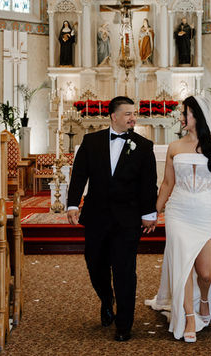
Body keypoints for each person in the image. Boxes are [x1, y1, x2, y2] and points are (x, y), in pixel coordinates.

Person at [145, 96, 211, 342]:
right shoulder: (175, 147)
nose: (181, 118)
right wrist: (154, 212)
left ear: (197, 116)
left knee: (206, 273)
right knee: (184, 266)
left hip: (206, 211)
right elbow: (167, 183)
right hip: (179, 211)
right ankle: (188, 315)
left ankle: (206, 299)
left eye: (185, 113)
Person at [67, 96, 158, 342]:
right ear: (113, 116)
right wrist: (73, 203)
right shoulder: (91, 141)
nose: (133, 118)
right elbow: (79, 175)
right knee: (94, 264)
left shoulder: (144, 145)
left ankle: (124, 323)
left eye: (134, 113)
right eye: (127, 113)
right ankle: (107, 299)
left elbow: (149, 184)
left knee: (124, 270)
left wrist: (149, 213)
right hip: (97, 216)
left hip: (127, 219)